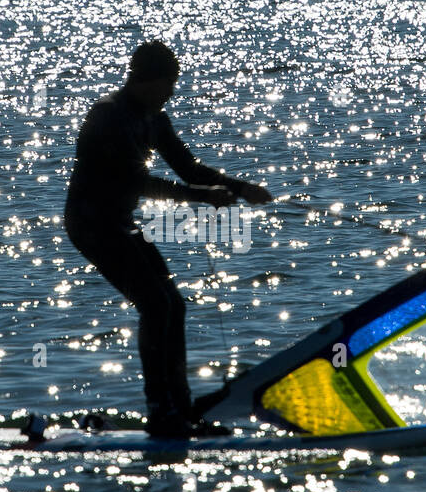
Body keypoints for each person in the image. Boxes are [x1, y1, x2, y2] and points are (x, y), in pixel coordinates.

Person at [65, 40, 272, 437]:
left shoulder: (154, 118)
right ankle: (161, 411)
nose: (172, 92)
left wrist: (241, 188)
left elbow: (186, 166)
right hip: (90, 223)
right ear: (146, 80)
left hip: (119, 222)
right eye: (169, 83)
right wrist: (200, 198)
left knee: (173, 304)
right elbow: (134, 181)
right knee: (157, 306)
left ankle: (182, 408)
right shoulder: (108, 116)